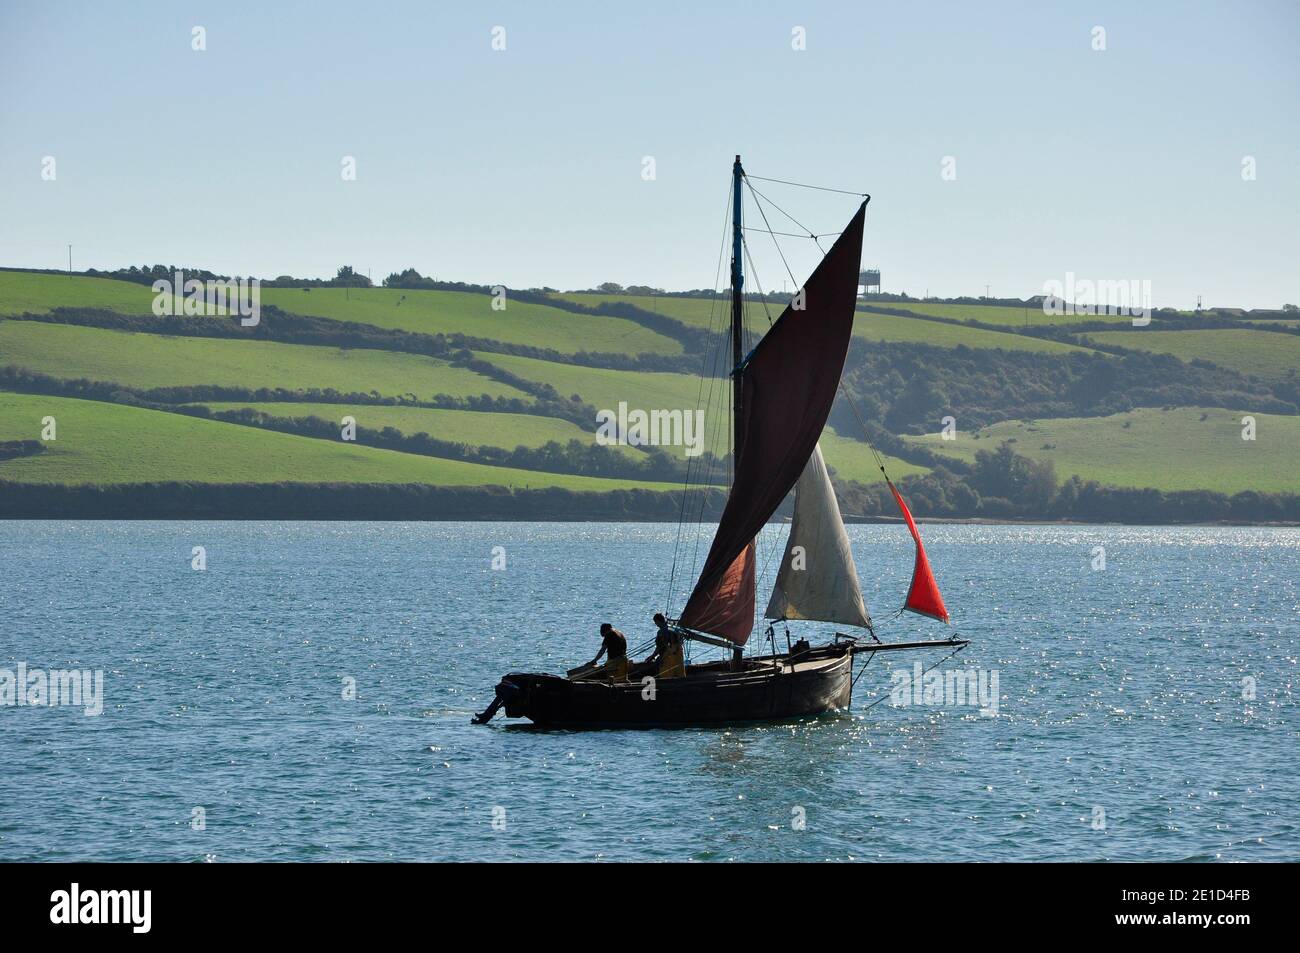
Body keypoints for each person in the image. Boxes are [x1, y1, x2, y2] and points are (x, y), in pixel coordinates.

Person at [645, 612, 685, 679]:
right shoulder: (674, 628)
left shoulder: (661, 632)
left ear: (658, 621)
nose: (656, 624)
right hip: (678, 656)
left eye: (656, 622)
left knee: (661, 669)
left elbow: (659, 648)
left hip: (668, 657)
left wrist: (652, 656)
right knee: (679, 673)